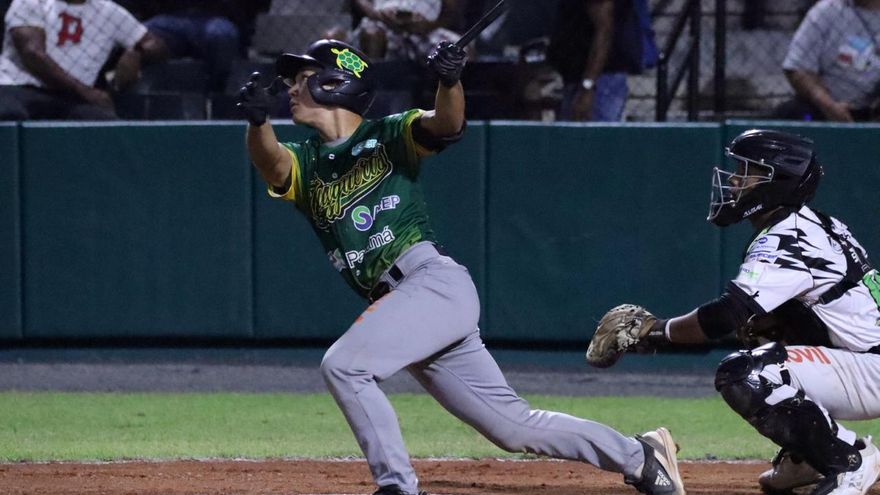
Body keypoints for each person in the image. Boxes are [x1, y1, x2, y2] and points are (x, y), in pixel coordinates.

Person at [236, 37, 685, 495]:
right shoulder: (308, 161)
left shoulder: (388, 134)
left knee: (345, 366)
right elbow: (273, 163)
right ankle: (640, 455)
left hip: (429, 284)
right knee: (513, 426)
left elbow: (446, 123)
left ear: (337, 83)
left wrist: (449, 81)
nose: (291, 88)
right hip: (404, 303)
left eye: (304, 78)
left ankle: (398, 487)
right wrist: (257, 122)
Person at [587, 129, 880, 495]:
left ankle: (850, 458)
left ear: (778, 182)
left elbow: (725, 315)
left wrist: (653, 330)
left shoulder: (787, 237)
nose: (736, 180)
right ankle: (808, 456)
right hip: (864, 359)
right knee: (760, 330)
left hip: (871, 369)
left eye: (749, 171)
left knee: (745, 373)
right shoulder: (813, 223)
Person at [0, 0, 166, 120]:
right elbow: (33, 54)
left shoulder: (108, 10)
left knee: (107, 125)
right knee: (9, 112)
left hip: (71, 99)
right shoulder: (32, 1)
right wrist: (85, 92)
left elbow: (157, 46)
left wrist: (136, 53)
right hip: (18, 88)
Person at [546, 0, 652, 122]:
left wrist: (587, 86)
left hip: (599, 80)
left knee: (593, 131)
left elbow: (604, 30)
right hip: (579, 76)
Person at [775, 0, 880, 122]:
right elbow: (797, 67)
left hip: (871, 108)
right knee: (793, 111)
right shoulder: (827, 10)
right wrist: (828, 105)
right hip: (823, 106)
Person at [352, 0, 461, 63]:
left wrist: (429, 26)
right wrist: (376, 13)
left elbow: (450, 10)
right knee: (372, 33)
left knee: (457, 49)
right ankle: (372, 91)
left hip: (427, 29)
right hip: (383, 23)